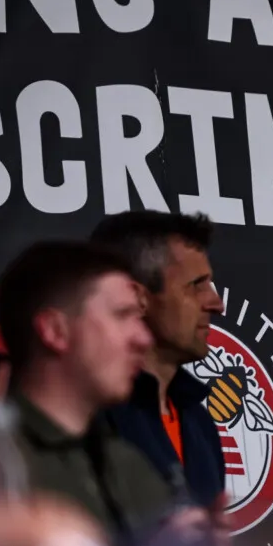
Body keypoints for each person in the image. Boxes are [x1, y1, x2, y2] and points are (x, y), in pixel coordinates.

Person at [0, 241, 177, 546]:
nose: (144, 339)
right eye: (122, 316)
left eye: (140, 320)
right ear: (55, 331)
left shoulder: (130, 464)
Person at [89, 211, 227, 515]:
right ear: (137, 297)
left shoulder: (200, 423)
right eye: (196, 285)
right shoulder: (86, 414)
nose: (216, 304)